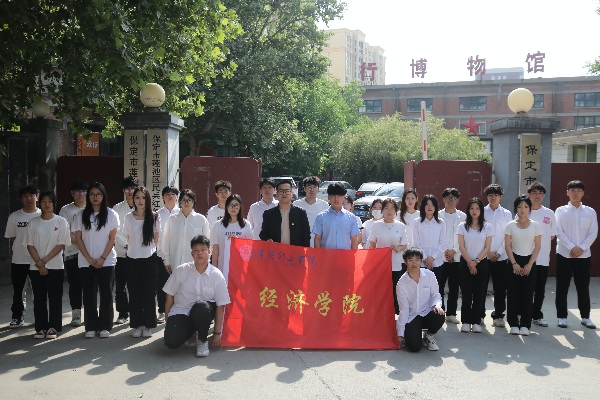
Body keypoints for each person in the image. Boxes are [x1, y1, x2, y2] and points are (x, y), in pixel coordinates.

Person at [163, 235, 230, 358]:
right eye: (196, 250)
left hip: (204, 313)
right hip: (182, 310)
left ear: (209, 252)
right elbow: (169, 296)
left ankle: (202, 341)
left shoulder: (216, 275)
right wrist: (169, 322)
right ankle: (191, 333)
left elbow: (221, 306)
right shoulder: (181, 270)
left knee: (201, 307)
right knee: (171, 342)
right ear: (191, 253)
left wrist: (216, 333)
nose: (200, 253)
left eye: (203, 250)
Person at [73, 182, 119, 339]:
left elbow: (112, 238)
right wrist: (89, 258)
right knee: (89, 294)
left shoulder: (112, 214)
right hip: (86, 262)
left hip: (106, 261)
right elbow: (78, 239)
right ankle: (91, 326)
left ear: (103, 196)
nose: (95, 197)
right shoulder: (80, 216)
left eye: (98, 194)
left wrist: (102, 258)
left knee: (106, 294)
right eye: (92, 194)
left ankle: (105, 326)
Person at [24, 192, 70, 339]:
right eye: (43, 201)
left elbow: (61, 244)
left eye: (50, 201)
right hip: (35, 267)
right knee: (39, 298)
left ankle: (53, 327)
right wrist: (39, 263)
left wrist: (43, 262)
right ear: (40, 203)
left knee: (55, 298)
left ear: (54, 203)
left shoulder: (61, 221)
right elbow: (29, 245)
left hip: (55, 266)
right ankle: (41, 327)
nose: (47, 204)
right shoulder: (33, 223)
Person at [555, 180, 598, 329]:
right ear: (567, 192)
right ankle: (561, 317)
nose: (575, 193)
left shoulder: (590, 212)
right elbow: (558, 231)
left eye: (578, 190)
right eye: (572, 190)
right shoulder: (560, 211)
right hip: (564, 255)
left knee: (583, 287)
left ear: (583, 193)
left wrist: (582, 248)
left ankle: (585, 317)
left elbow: (593, 232)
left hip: (583, 256)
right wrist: (572, 247)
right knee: (562, 286)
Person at [124, 187, 160, 338]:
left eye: (143, 198)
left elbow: (156, 238)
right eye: (137, 197)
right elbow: (127, 236)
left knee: (149, 293)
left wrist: (146, 250)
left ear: (147, 199)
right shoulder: (128, 217)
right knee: (135, 293)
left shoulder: (154, 216)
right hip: (132, 259)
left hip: (149, 259)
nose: (140, 201)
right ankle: (137, 325)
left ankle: (149, 325)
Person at [504, 195, 542, 336]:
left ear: (529, 208)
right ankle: (513, 324)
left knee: (527, 294)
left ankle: (526, 325)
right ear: (516, 208)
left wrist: (530, 265)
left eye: (525, 206)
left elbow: (537, 246)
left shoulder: (536, 225)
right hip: (514, 260)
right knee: (513, 293)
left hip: (529, 262)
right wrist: (514, 263)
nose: (522, 209)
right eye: (519, 206)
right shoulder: (511, 225)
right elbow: (508, 245)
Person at [4, 185, 41, 328]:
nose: (29, 198)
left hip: (38, 261)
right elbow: (13, 237)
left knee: (39, 291)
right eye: (25, 196)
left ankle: (40, 317)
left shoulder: (42, 215)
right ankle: (17, 317)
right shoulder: (14, 216)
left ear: (37, 197)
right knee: (18, 291)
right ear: (21, 199)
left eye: (32, 195)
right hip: (19, 259)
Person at [396, 248, 445, 352]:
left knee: (439, 314)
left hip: (427, 313)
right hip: (412, 316)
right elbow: (404, 309)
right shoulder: (401, 283)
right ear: (405, 262)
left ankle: (429, 337)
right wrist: (400, 333)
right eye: (410, 260)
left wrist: (437, 305)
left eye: (417, 260)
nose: (414, 263)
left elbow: (436, 295)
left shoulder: (430, 275)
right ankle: (414, 333)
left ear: (421, 261)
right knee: (414, 347)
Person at [457, 198, 493, 333]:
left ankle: (476, 321)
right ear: (468, 210)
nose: (474, 211)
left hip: (481, 263)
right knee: (466, 293)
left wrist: (476, 261)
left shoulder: (487, 227)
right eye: (472, 208)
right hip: (465, 262)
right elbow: (461, 246)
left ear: (481, 211)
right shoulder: (462, 226)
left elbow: (487, 247)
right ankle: (466, 321)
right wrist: (470, 262)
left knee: (479, 293)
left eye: (477, 208)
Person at [368, 198, 408, 315]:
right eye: (386, 208)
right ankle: (380, 314)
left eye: (392, 208)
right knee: (381, 291)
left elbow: (405, 245)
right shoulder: (376, 225)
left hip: (395, 264)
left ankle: (393, 316)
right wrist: (373, 262)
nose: (389, 211)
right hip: (380, 266)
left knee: (395, 291)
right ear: (382, 210)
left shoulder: (400, 226)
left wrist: (398, 248)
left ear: (396, 211)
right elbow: (372, 244)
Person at [161, 189, 210, 279]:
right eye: (184, 200)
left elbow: (208, 242)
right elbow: (165, 241)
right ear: (179, 202)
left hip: (195, 264)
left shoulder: (201, 219)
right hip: (175, 263)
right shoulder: (172, 219)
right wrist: (166, 261)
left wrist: (206, 261)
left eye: (189, 200)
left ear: (193, 202)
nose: (186, 203)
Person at [527, 182, 557, 328]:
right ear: (529, 195)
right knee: (525, 288)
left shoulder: (549, 213)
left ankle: (537, 315)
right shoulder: (524, 211)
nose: (537, 195)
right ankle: (523, 313)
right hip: (525, 257)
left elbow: (551, 236)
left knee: (540, 289)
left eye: (540, 193)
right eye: (534, 192)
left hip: (543, 258)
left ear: (544, 195)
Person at [59, 181, 88, 327]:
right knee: (75, 285)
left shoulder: (92, 207)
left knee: (90, 285)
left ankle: (90, 314)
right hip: (72, 254)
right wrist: (82, 244)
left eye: (83, 191)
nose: (81, 194)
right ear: (72, 193)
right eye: (77, 191)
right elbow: (65, 232)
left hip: (91, 254)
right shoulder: (65, 210)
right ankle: (76, 315)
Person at [483, 184, 513, 327]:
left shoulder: (507, 214)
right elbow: (479, 234)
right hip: (484, 256)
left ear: (501, 196)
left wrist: (500, 252)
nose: (493, 197)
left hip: (501, 257)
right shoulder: (481, 212)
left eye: (495, 195)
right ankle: (479, 314)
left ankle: (498, 316)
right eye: (490, 195)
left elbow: (508, 236)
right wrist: (487, 252)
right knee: (481, 287)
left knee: (500, 288)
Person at [113, 175, 139, 325]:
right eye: (128, 188)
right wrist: (127, 245)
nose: (131, 191)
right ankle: (123, 313)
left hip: (138, 254)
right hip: (121, 254)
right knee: (120, 285)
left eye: (133, 188)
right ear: (123, 190)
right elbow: (116, 231)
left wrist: (135, 245)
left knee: (135, 285)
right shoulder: (117, 208)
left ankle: (136, 311)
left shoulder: (142, 206)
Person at [438, 188, 467, 325]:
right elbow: (436, 236)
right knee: (439, 286)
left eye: (453, 197)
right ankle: (440, 312)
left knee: (454, 287)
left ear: (457, 200)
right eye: (448, 197)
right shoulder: (437, 216)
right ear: (443, 199)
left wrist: (454, 251)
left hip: (457, 256)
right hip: (441, 257)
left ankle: (451, 313)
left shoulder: (463, 217)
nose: (450, 200)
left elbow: (465, 237)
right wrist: (444, 251)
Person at [210, 194, 253, 281]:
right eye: (230, 205)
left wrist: (237, 241)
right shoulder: (218, 225)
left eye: (236, 205)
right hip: (222, 267)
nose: (233, 208)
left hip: (240, 267)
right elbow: (215, 248)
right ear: (226, 207)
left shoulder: (246, 225)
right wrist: (214, 269)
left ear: (240, 207)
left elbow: (250, 247)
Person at [259, 180, 310, 247]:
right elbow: (263, 234)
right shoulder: (269, 214)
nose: (284, 193)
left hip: (295, 254)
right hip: (275, 253)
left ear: (292, 194)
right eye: (281, 191)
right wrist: (267, 239)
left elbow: (306, 237)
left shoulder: (301, 213)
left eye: (287, 191)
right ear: (276, 193)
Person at [156, 186, 180, 324]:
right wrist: (164, 257)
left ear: (177, 197)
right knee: (162, 284)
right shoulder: (157, 215)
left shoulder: (182, 213)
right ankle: (161, 311)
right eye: (167, 194)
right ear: (163, 197)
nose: (170, 196)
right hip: (161, 255)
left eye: (173, 194)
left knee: (180, 284)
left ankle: (177, 309)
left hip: (178, 254)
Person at [313, 182, 360, 250]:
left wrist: (353, 258)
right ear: (329, 196)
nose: (336, 198)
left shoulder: (351, 217)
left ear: (344, 196)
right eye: (333, 195)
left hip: (345, 257)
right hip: (327, 258)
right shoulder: (321, 217)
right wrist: (318, 257)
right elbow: (317, 239)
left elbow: (354, 239)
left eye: (339, 195)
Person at [413, 195, 447, 285]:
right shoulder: (417, 222)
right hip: (421, 263)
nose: (429, 207)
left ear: (436, 207)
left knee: (437, 290)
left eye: (432, 205)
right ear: (423, 206)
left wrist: (432, 258)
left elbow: (443, 243)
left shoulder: (441, 223)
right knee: (422, 290)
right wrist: (425, 259)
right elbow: (416, 243)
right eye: (427, 204)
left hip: (437, 262)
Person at [293, 176, 329, 247]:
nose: (312, 189)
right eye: (309, 187)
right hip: (300, 245)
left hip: (319, 246)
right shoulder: (296, 204)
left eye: (314, 187)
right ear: (304, 189)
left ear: (318, 189)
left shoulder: (324, 205)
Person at [396, 189, 419, 273]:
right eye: (407, 198)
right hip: (401, 253)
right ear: (404, 200)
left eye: (412, 198)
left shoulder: (420, 215)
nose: (410, 201)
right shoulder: (398, 215)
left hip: (416, 254)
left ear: (416, 199)